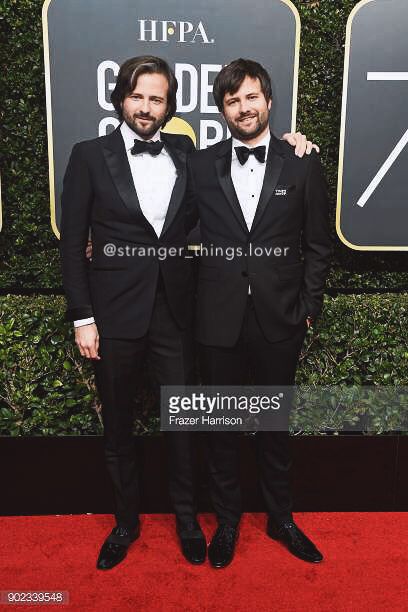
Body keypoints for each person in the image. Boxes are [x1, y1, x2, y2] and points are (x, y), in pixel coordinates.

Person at [60, 54, 315, 570]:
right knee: (123, 429)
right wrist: (82, 315)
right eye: (137, 96)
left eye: (157, 98)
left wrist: (295, 141)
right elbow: (73, 244)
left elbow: (303, 239)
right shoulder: (90, 155)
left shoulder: (186, 154)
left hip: (179, 316)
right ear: (120, 100)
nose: (146, 107)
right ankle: (127, 525)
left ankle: (188, 522)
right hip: (116, 316)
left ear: (170, 106)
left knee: (188, 426)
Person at [186, 58, 331, 568]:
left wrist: (307, 308)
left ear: (269, 101)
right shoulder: (201, 165)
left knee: (274, 427)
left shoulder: (302, 163)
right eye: (231, 100)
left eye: (251, 97)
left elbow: (317, 244)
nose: (243, 108)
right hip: (217, 319)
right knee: (222, 426)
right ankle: (227, 522)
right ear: (221, 109)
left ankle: (281, 519)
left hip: (279, 319)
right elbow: (170, 226)